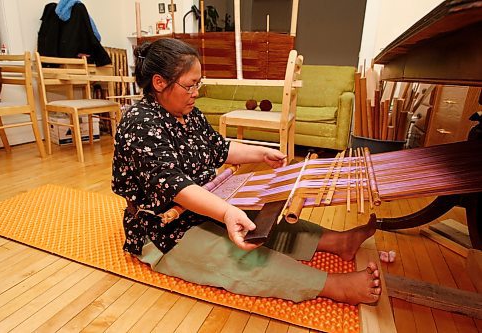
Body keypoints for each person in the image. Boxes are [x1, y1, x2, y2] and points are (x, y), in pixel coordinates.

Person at [112, 38, 381, 305]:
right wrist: (227, 212)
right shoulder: (140, 123)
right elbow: (176, 186)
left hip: (204, 205)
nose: (196, 92)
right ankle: (333, 286)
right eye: (190, 85)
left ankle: (337, 242)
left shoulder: (189, 113)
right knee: (239, 255)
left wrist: (261, 153)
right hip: (164, 229)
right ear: (159, 83)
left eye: (198, 83)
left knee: (261, 223)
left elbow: (219, 147)